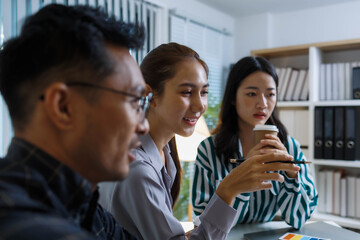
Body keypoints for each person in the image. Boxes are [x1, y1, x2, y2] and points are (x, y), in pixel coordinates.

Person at [98, 43, 301, 240]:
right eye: (186, 92)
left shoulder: (162, 153)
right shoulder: (138, 170)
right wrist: (228, 190)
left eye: (203, 92)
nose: (199, 105)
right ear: (150, 95)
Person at [0, 4, 150, 239]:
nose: (144, 126)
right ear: (63, 106)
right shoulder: (28, 228)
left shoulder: (88, 210)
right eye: (134, 101)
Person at [192, 56, 318, 230]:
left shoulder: (289, 147)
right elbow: (204, 223)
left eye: (270, 94)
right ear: (233, 98)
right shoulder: (209, 150)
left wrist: (291, 176)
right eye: (252, 94)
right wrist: (242, 180)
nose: (263, 104)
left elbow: (299, 219)